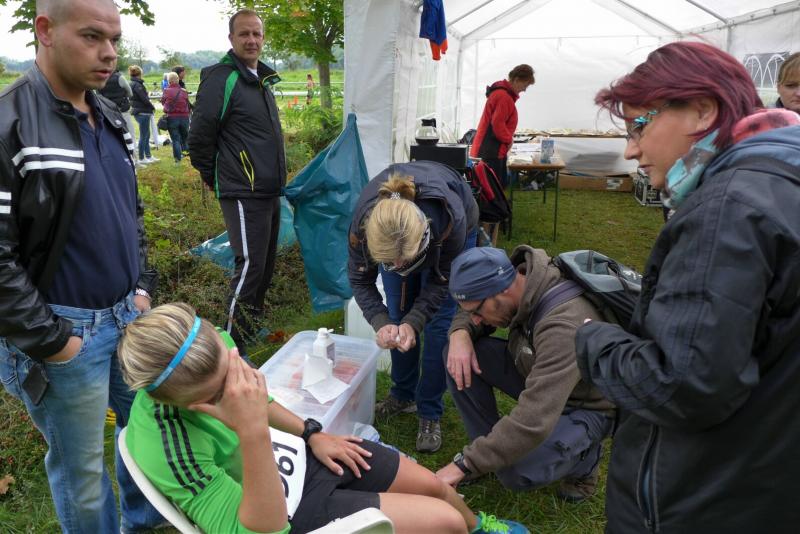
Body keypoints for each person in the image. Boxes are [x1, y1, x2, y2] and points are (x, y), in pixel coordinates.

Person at [576, 42, 800, 533]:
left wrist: (595, 338)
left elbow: (682, 386)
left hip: (699, 499)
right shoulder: (782, 178)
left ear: (702, 110)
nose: (631, 150)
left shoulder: (727, 211)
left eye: (639, 125)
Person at [117, 302, 528, 534]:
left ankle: (481, 527)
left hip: (299, 458)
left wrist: (312, 433)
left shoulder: (212, 347)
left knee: (435, 487)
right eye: (216, 395)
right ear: (177, 402)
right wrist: (252, 430)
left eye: (233, 372)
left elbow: (261, 398)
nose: (240, 391)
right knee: (445, 523)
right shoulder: (165, 446)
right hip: (286, 512)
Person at [0, 0, 164, 532]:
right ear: (45, 30)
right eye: (93, 37)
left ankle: (142, 523)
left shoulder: (112, 117)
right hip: (66, 331)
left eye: (114, 39)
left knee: (145, 435)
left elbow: (129, 213)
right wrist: (52, 340)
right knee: (84, 474)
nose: (109, 53)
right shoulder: (9, 123)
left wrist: (142, 286)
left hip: (128, 317)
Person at [434, 247, 614, 502]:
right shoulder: (520, 282)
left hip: (585, 404)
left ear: (502, 291)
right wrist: (459, 333)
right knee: (456, 356)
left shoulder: (562, 327)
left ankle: (585, 461)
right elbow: (470, 312)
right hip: (535, 370)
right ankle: (488, 452)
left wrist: (464, 464)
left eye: (477, 311)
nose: (475, 320)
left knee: (515, 471)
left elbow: (534, 418)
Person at [348, 161, 479, 453]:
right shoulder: (363, 227)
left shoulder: (450, 219)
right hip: (403, 237)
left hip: (452, 228)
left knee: (439, 325)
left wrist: (416, 320)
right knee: (397, 314)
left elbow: (442, 283)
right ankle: (402, 394)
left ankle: (429, 410)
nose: (396, 266)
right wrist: (382, 322)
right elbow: (359, 279)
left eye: (402, 261)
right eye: (388, 262)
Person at [189, 9, 287, 354]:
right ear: (231, 39)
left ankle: (250, 329)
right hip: (243, 190)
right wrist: (217, 178)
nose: (251, 40)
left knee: (264, 266)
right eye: (244, 34)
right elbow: (199, 138)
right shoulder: (223, 78)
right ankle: (230, 350)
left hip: (268, 190)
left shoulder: (260, 80)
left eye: (257, 34)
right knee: (249, 267)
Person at [470, 64, 535, 186]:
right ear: (517, 80)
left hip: (490, 149)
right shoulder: (503, 97)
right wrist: (509, 139)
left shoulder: (502, 94)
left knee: (493, 188)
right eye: (525, 85)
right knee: (493, 189)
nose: (524, 90)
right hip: (491, 151)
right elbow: (497, 124)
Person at [98, 67, 137, 162]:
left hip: (108, 111)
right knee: (130, 133)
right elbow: (130, 93)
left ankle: (117, 159)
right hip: (122, 109)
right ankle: (134, 159)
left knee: (112, 135)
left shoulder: (101, 78)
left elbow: (98, 95)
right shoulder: (120, 77)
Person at [128, 64, 158, 164]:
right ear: (139, 73)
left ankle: (148, 155)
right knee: (144, 135)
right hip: (142, 112)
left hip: (140, 111)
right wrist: (152, 106)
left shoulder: (132, 83)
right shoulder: (137, 85)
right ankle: (142, 157)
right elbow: (144, 99)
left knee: (146, 134)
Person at [161, 71, 190, 164]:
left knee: (175, 139)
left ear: (169, 81)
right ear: (177, 80)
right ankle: (187, 155)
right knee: (185, 137)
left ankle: (178, 160)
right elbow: (187, 102)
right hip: (185, 117)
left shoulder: (166, 91)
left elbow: (163, 102)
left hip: (172, 117)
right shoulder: (184, 91)